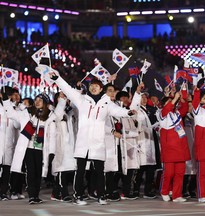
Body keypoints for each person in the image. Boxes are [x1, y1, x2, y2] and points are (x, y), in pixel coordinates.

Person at [43, 66, 137, 205]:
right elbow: (68, 89)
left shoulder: (106, 103)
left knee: (100, 171)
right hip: (83, 142)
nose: (94, 88)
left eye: (96, 86)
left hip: (98, 143)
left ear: (101, 89)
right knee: (80, 171)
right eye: (92, 86)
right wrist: (57, 79)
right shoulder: (82, 100)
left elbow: (117, 111)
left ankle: (101, 196)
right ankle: (78, 195)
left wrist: (128, 113)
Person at [3, 92, 66, 204]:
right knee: (31, 172)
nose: (37, 102)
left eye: (40, 100)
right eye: (36, 99)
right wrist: (6, 101)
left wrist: (61, 101)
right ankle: (32, 195)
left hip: (42, 149)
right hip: (28, 148)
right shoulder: (26, 113)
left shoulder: (50, 117)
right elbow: (11, 114)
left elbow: (58, 116)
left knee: (39, 173)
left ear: (45, 103)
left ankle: (36, 195)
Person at [157, 90, 190, 202]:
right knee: (169, 173)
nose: (172, 103)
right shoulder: (161, 114)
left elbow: (185, 108)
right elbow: (165, 110)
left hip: (181, 147)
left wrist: (182, 99)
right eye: (169, 101)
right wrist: (174, 99)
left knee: (180, 173)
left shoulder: (176, 113)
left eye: (172, 101)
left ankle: (177, 195)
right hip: (170, 148)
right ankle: (164, 191)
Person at [50, 92, 77, 203]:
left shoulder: (69, 112)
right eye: (61, 98)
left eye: (65, 97)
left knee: (66, 169)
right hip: (59, 144)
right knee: (61, 169)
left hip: (69, 144)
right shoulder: (53, 112)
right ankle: (63, 193)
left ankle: (56, 193)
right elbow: (58, 115)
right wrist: (61, 102)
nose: (63, 99)